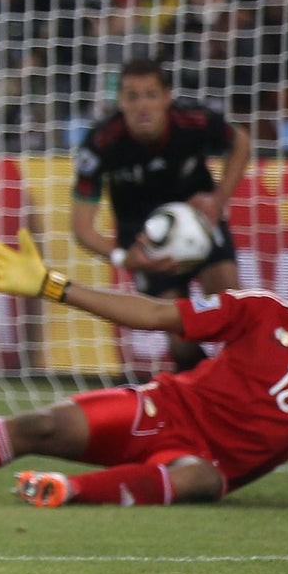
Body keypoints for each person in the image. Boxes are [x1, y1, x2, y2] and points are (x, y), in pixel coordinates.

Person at [0, 228, 288, 508]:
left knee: (200, 479)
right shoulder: (262, 311)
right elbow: (155, 316)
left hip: (207, 465)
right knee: (40, 424)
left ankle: (68, 490)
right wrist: (53, 286)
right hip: (161, 409)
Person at [71, 57, 250, 370]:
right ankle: (203, 389)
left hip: (199, 222)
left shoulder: (192, 120)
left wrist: (219, 198)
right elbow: (81, 228)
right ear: (120, 101)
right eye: (132, 96)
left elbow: (241, 142)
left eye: (151, 95)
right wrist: (123, 257)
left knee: (231, 305)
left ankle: (251, 388)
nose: (142, 106)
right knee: (181, 344)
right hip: (144, 240)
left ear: (167, 97)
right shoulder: (101, 143)